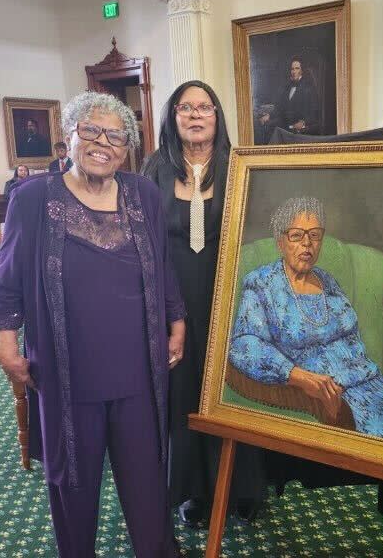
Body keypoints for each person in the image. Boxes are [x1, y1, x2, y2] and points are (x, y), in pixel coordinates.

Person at [0, 91, 185, 558]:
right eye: (91, 131)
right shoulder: (33, 197)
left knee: (145, 474)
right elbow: (8, 277)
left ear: (127, 147)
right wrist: (5, 341)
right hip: (66, 369)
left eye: (115, 135)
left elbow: (162, 264)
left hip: (138, 368)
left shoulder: (144, 194)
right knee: (72, 479)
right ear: (70, 137)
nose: (102, 143)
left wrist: (176, 319)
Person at [141, 80, 267, 528]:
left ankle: (244, 487)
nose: (195, 115)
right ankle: (193, 491)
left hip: (233, 295)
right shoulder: (153, 169)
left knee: (237, 388)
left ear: (218, 117)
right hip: (175, 298)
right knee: (186, 393)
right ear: (172, 117)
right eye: (185, 108)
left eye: (205, 107)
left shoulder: (241, 166)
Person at [230, 196, 383, 442]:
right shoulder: (262, 283)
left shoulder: (327, 281)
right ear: (280, 241)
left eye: (314, 235)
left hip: (374, 385)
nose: (307, 243)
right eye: (297, 235)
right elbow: (243, 345)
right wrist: (299, 377)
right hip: (337, 398)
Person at [266, 57, 320, 136]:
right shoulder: (287, 87)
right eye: (292, 69)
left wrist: (303, 122)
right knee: (268, 126)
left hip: (299, 126)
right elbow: (280, 107)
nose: (294, 71)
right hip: (285, 124)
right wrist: (269, 115)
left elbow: (313, 112)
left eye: (297, 68)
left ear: (302, 71)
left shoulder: (308, 88)